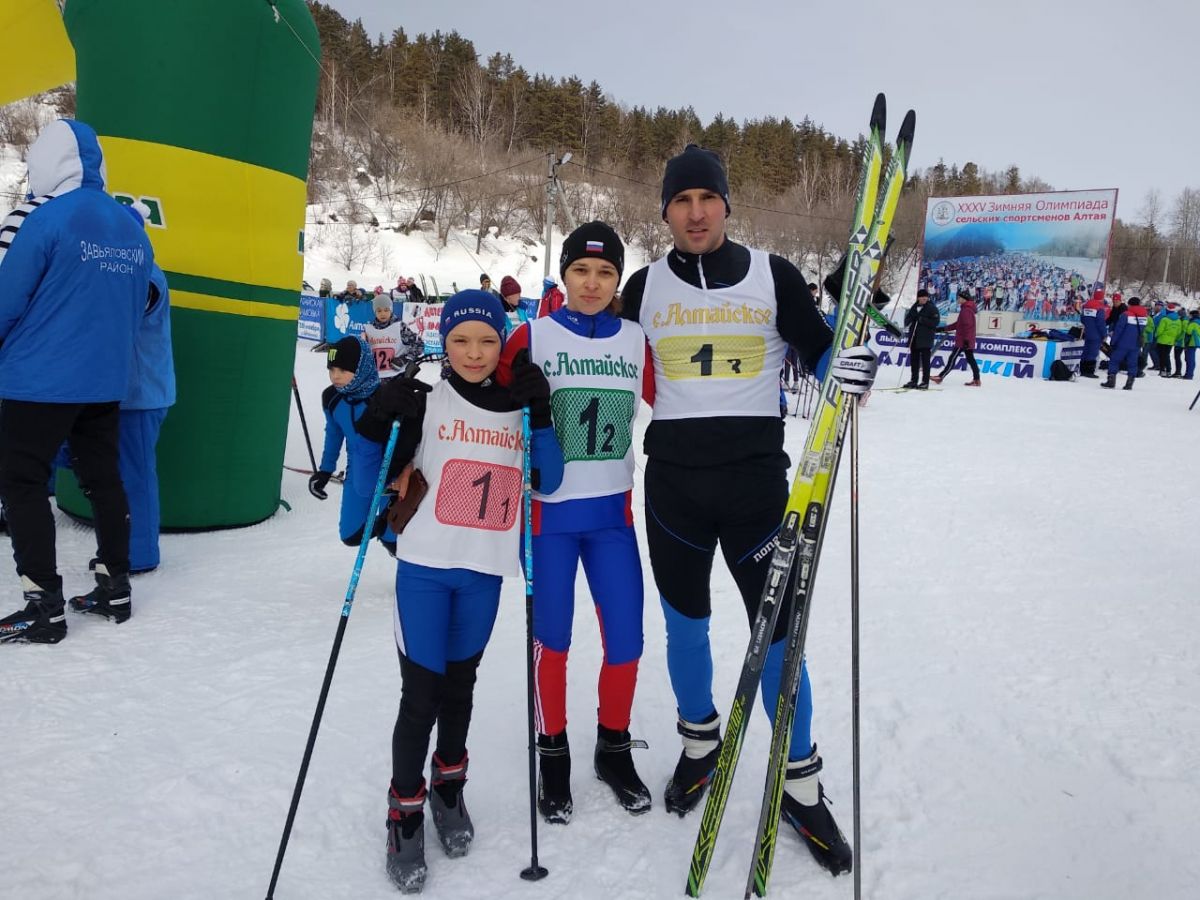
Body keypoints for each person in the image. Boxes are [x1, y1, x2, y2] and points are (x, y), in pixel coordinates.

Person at [618, 144, 872, 876]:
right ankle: (701, 744)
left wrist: (846, 367)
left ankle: (800, 782)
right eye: (681, 201)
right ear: (665, 211)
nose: (695, 213)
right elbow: (596, 354)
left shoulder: (772, 274)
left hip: (756, 488)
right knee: (684, 627)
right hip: (673, 489)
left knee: (779, 638)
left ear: (727, 205)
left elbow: (821, 352)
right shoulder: (643, 287)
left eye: (708, 199)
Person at [360, 290, 564, 892]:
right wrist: (379, 415)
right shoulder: (425, 399)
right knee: (420, 696)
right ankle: (404, 812)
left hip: (483, 571)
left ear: (503, 343)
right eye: (460, 341)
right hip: (425, 568)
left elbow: (548, 480)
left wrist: (542, 414)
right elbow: (376, 473)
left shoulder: (517, 406)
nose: (474, 353)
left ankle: (448, 788)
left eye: (487, 340)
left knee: (460, 689)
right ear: (443, 344)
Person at [498, 222, 655, 823]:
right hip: (548, 520)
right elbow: (480, 396)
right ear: (564, 275)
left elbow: (679, 403)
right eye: (581, 271)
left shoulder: (635, 340)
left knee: (627, 641)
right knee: (553, 643)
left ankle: (613, 747)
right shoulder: (531, 335)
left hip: (612, 518)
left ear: (618, 280)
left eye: (606, 272)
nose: (592, 283)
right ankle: (553, 753)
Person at [0, 119, 154, 643]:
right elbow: (139, 305)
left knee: (22, 481)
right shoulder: (131, 228)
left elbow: (7, 297)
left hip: (38, 378)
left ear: (46, 163)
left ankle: (43, 604)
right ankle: (115, 587)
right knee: (103, 478)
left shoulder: (46, 217)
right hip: (105, 380)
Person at [113, 202, 175, 575]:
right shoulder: (131, 271)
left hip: (141, 395)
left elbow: (123, 313)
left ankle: (140, 553)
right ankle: (122, 546)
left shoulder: (146, 276)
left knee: (136, 474)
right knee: (119, 472)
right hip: (125, 393)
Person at [308, 336, 396, 554]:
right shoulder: (332, 398)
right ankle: (384, 525)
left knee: (394, 540)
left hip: (389, 473)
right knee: (351, 535)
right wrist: (325, 471)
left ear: (360, 368)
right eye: (331, 370)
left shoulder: (384, 397)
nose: (335, 376)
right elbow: (334, 434)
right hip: (357, 469)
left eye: (342, 370)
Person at [363, 291, 422, 379]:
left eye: (386, 310)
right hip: (375, 378)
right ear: (375, 312)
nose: (383, 314)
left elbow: (419, 344)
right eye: (379, 311)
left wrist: (404, 359)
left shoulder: (400, 327)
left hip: (397, 376)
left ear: (391, 310)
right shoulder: (368, 329)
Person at [931, 288, 980, 386]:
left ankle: (940, 377)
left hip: (963, 340)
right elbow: (958, 324)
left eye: (959, 297)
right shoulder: (967, 309)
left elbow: (967, 326)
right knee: (970, 359)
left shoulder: (966, 310)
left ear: (964, 299)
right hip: (966, 340)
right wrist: (943, 328)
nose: (958, 299)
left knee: (952, 358)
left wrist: (966, 341)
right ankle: (976, 379)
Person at [1102, 296, 1147, 391]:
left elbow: (1118, 330)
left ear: (1130, 304)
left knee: (1114, 361)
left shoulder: (1126, 315)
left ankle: (1111, 381)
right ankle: (1129, 383)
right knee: (1133, 363)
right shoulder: (1144, 316)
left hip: (1122, 344)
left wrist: (1113, 342)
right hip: (1136, 344)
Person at [903, 288, 940, 388]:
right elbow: (907, 320)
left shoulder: (932, 308)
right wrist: (911, 319)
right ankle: (913, 380)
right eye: (922, 297)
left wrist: (922, 319)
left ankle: (925, 382)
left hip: (926, 338)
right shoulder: (914, 307)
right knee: (914, 360)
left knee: (925, 361)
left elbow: (935, 322)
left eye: (925, 297)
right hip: (914, 337)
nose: (924, 298)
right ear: (918, 298)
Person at [1079, 288, 1106, 378]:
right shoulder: (1100, 308)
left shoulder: (1086, 305)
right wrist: (1104, 334)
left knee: (1086, 351)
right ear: (1102, 297)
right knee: (1093, 352)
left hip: (1087, 332)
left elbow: (1082, 319)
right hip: (1096, 334)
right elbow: (1101, 323)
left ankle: (1082, 370)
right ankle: (1089, 371)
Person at [1154, 303, 1181, 377]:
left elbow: (1160, 330)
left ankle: (1162, 370)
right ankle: (1168, 370)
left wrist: (1156, 335)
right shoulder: (1178, 320)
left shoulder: (1164, 319)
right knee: (1167, 355)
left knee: (1162, 356)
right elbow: (1179, 331)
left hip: (1162, 340)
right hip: (1171, 341)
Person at [1185, 309, 1200, 379]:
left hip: (1191, 341)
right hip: (1197, 341)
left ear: (1193, 315)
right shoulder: (1198, 321)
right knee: (1191, 359)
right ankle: (1189, 374)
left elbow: (1188, 331)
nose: (1189, 316)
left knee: (1190, 359)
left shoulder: (1193, 322)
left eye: (1190, 315)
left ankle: (1189, 375)